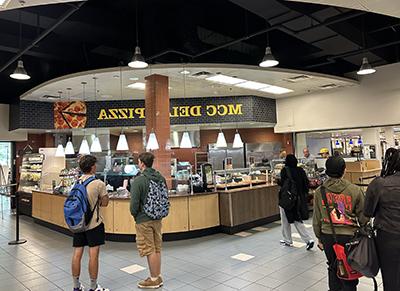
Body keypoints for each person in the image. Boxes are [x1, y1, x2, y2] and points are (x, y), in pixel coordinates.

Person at [313, 156, 367, 291]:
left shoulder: (320, 191)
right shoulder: (355, 190)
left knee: (332, 267)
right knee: (349, 269)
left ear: (327, 171)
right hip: (349, 237)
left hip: (328, 236)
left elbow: (316, 218)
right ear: (344, 170)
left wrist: (319, 237)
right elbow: (364, 218)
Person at [72, 155, 109, 291]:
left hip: (78, 224)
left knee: (77, 254)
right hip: (94, 224)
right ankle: (93, 287)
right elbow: (105, 203)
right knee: (93, 255)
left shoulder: (77, 182)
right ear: (92, 167)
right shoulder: (98, 184)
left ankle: (76, 286)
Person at [364, 148, 400, 291]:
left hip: (388, 238)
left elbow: (368, 212)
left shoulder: (379, 184)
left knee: (390, 278)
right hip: (388, 236)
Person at [130, 152, 167, 289]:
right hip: (158, 218)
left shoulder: (139, 180)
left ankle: (153, 279)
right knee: (157, 248)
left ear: (142, 163)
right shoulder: (160, 178)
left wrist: (135, 215)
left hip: (143, 219)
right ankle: (157, 275)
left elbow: (134, 205)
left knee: (149, 249)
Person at [278, 154, 314, 250]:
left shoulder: (285, 170)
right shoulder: (301, 170)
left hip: (287, 199)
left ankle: (288, 240)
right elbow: (306, 184)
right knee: (297, 219)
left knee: (285, 220)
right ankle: (308, 240)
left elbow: (282, 184)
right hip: (298, 199)